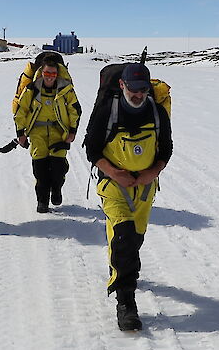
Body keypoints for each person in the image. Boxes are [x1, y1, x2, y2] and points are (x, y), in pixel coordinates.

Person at [83, 63, 173, 332]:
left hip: (145, 187)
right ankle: (126, 303)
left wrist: (152, 172)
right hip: (114, 185)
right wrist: (114, 172)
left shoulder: (157, 112)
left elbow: (166, 149)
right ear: (122, 85)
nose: (138, 94)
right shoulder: (107, 111)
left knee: (134, 238)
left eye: (143, 89)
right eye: (133, 89)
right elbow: (92, 148)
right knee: (122, 236)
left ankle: (125, 271)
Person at [13, 58, 82, 213]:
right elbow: (21, 111)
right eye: (46, 73)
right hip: (38, 134)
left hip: (59, 133)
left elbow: (74, 110)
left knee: (58, 168)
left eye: (53, 73)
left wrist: (72, 131)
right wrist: (20, 133)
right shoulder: (32, 89)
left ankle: (56, 189)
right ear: (41, 73)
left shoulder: (65, 89)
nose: (50, 76)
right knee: (40, 169)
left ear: (57, 74)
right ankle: (42, 201)